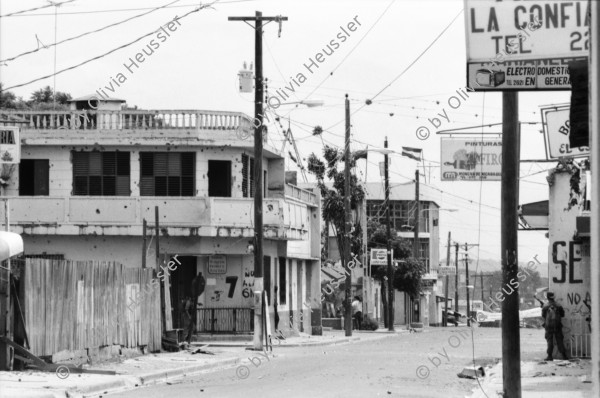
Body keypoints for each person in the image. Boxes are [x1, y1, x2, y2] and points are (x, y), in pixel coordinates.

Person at [541, 292, 569, 360]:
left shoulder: (545, 306)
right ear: (554, 297)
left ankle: (549, 356)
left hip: (548, 326)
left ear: (547, 297)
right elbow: (562, 315)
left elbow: (543, 315)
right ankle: (564, 356)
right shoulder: (559, 305)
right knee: (560, 340)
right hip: (557, 326)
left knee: (549, 341)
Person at [185, 272, 206, 344]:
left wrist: (198, 303)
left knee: (191, 328)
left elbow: (192, 304)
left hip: (189, 316)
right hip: (187, 317)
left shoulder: (191, 300)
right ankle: (186, 340)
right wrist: (189, 316)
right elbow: (186, 309)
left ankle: (187, 339)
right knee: (191, 327)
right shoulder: (188, 301)